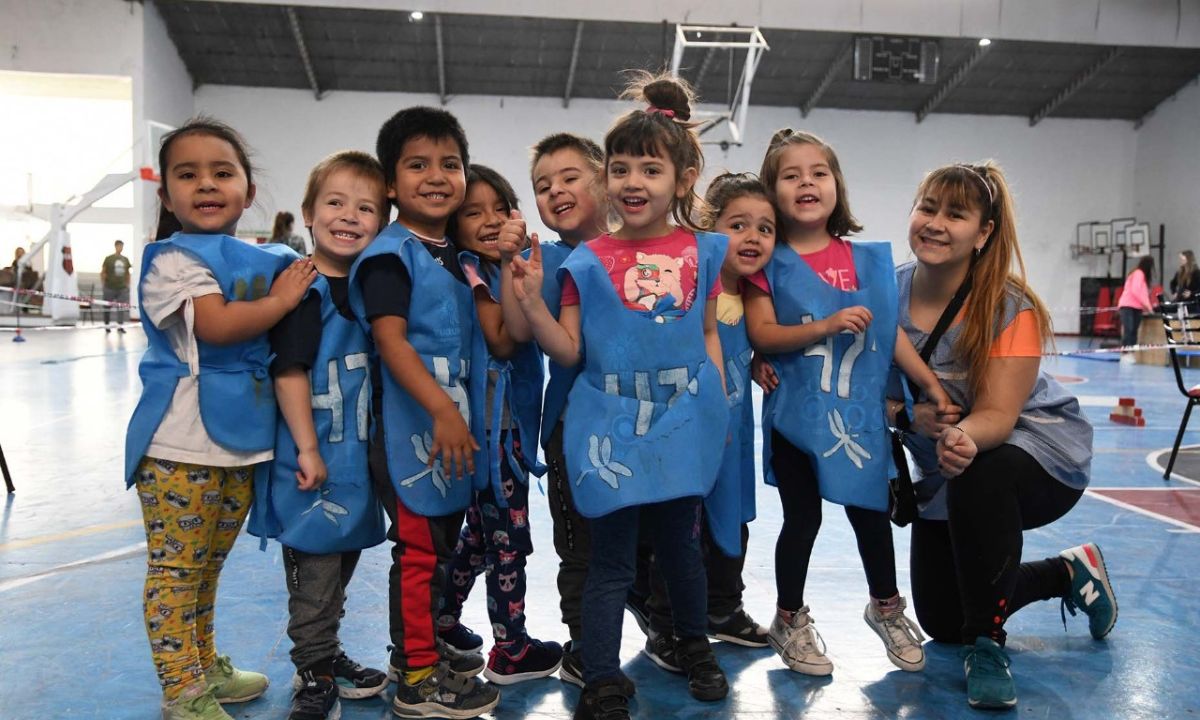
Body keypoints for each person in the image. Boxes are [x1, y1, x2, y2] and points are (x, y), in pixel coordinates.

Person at [509, 72, 730, 720]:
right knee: (609, 561)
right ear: (607, 179)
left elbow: (708, 333)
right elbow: (569, 350)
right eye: (622, 168)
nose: (634, 181)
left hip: (681, 423)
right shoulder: (585, 262)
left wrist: (715, 407)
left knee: (681, 550)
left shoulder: (703, 252)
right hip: (608, 428)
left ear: (683, 179)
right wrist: (531, 301)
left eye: (651, 169)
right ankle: (602, 674)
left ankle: (695, 647)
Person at [892, 161, 1116, 710]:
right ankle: (1066, 572)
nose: (936, 223)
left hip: (1036, 452)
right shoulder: (884, 292)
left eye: (956, 214)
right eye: (927, 208)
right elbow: (862, 392)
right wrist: (906, 417)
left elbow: (997, 414)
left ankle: (988, 647)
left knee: (981, 470)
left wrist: (962, 435)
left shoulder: (1010, 307)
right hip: (946, 465)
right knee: (943, 619)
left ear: (983, 232)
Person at [124, 118, 316, 720]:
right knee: (177, 570)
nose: (206, 184)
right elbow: (217, 325)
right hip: (179, 445)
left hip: (239, 440)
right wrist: (282, 299)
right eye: (188, 175)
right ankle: (182, 690)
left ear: (248, 191)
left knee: (208, 566)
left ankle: (203, 666)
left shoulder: (261, 257)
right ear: (166, 196)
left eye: (222, 172)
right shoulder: (171, 261)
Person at [743, 129, 948, 677]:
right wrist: (825, 325)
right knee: (802, 519)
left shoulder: (865, 260)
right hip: (795, 417)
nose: (806, 182)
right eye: (791, 175)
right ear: (772, 190)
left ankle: (887, 608)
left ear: (837, 185)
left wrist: (928, 383)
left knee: (870, 514)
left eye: (819, 172)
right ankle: (788, 618)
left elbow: (888, 333)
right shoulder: (766, 262)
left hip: (856, 417)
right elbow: (761, 333)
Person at [345, 106, 499, 719]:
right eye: (417, 165)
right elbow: (392, 343)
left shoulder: (453, 254)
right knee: (416, 555)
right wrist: (441, 410)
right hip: (412, 430)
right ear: (390, 182)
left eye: (449, 164)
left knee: (438, 548)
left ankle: (422, 648)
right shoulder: (391, 256)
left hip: (448, 430)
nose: (436, 176)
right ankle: (414, 677)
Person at [251, 151, 391, 720]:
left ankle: (327, 652)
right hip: (309, 455)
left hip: (354, 455)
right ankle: (312, 667)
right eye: (335, 203)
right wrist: (307, 448)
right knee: (313, 568)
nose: (349, 215)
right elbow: (288, 371)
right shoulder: (301, 288)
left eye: (366, 208)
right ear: (308, 213)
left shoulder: (369, 289)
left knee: (340, 562)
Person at [640, 172, 777, 672]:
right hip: (687, 438)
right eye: (737, 225)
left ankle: (723, 606)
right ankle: (664, 624)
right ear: (708, 227)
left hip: (732, 438)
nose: (752, 237)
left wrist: (762, 358)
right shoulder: (692, 289)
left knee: (732, 521)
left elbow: (761, 340)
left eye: (765, 228)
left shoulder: (759, 296)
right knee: (682, 532)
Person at [438, 164, 564, 685]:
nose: (489, 221)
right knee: (509, 539)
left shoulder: (505, 268)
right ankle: (510, 648)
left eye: (499, 208)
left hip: (506, 429)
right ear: (454, 225)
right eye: (473, 213)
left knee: (481, 534)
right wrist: (514, 267)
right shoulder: (474, 270)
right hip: (496, 433)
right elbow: (502, 340)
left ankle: (442, 618)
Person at [496, 133, 612, 688]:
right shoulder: (543, 261)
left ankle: (661, 626)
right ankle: (585, 647)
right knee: (580, 544)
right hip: (570, 424)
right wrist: (508, 263)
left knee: (646, 539)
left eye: (569, 178)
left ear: (605, 179)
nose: (556, 191)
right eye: (543, 186)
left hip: (640, 422)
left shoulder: (641, 253)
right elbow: (519, 331)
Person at [1117, 255, 1156, 357]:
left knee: (1134, 331)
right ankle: (1125, 353)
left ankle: (1131, 353)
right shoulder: (1138, 273)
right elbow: (1136, 290)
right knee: (1129, 330)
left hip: (1137, 307)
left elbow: (1144, 294)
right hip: (1127, 306)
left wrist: (1148, 306)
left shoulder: (1143, 277)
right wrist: (1147, 306)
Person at [101, 239, 132, 332]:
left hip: (122, 288)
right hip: (109, 287)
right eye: (119, 246)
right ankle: (107, 326)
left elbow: (127, 273)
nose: (120, 248)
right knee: (107, 307)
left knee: (121, 307)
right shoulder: (109, 258)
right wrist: (104, 284)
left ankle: (120, 326)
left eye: (122, 246)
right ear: (115, 246)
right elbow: (103, 272)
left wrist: (127, 284)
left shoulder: (125, 259)